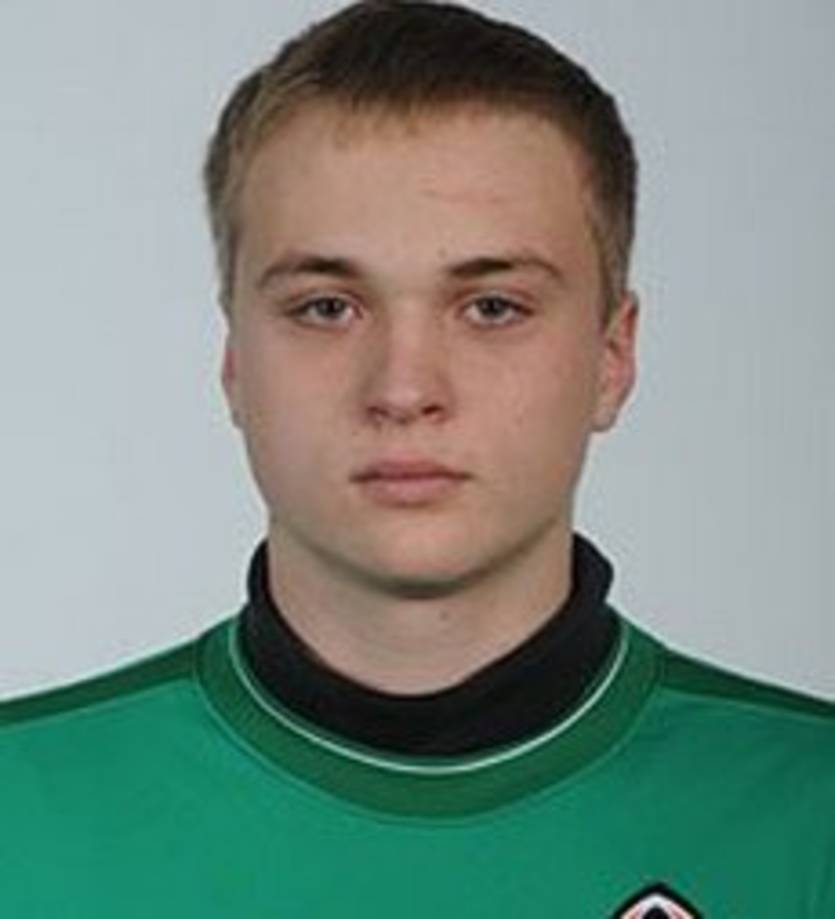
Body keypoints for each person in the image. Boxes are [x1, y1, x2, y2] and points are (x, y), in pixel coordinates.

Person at [1, 2, 832, 916]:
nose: (403, 389)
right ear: (235, 360)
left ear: (612, 356)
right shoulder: (21, 815)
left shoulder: (808, 813)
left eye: (492, 308)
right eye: (326, 307)